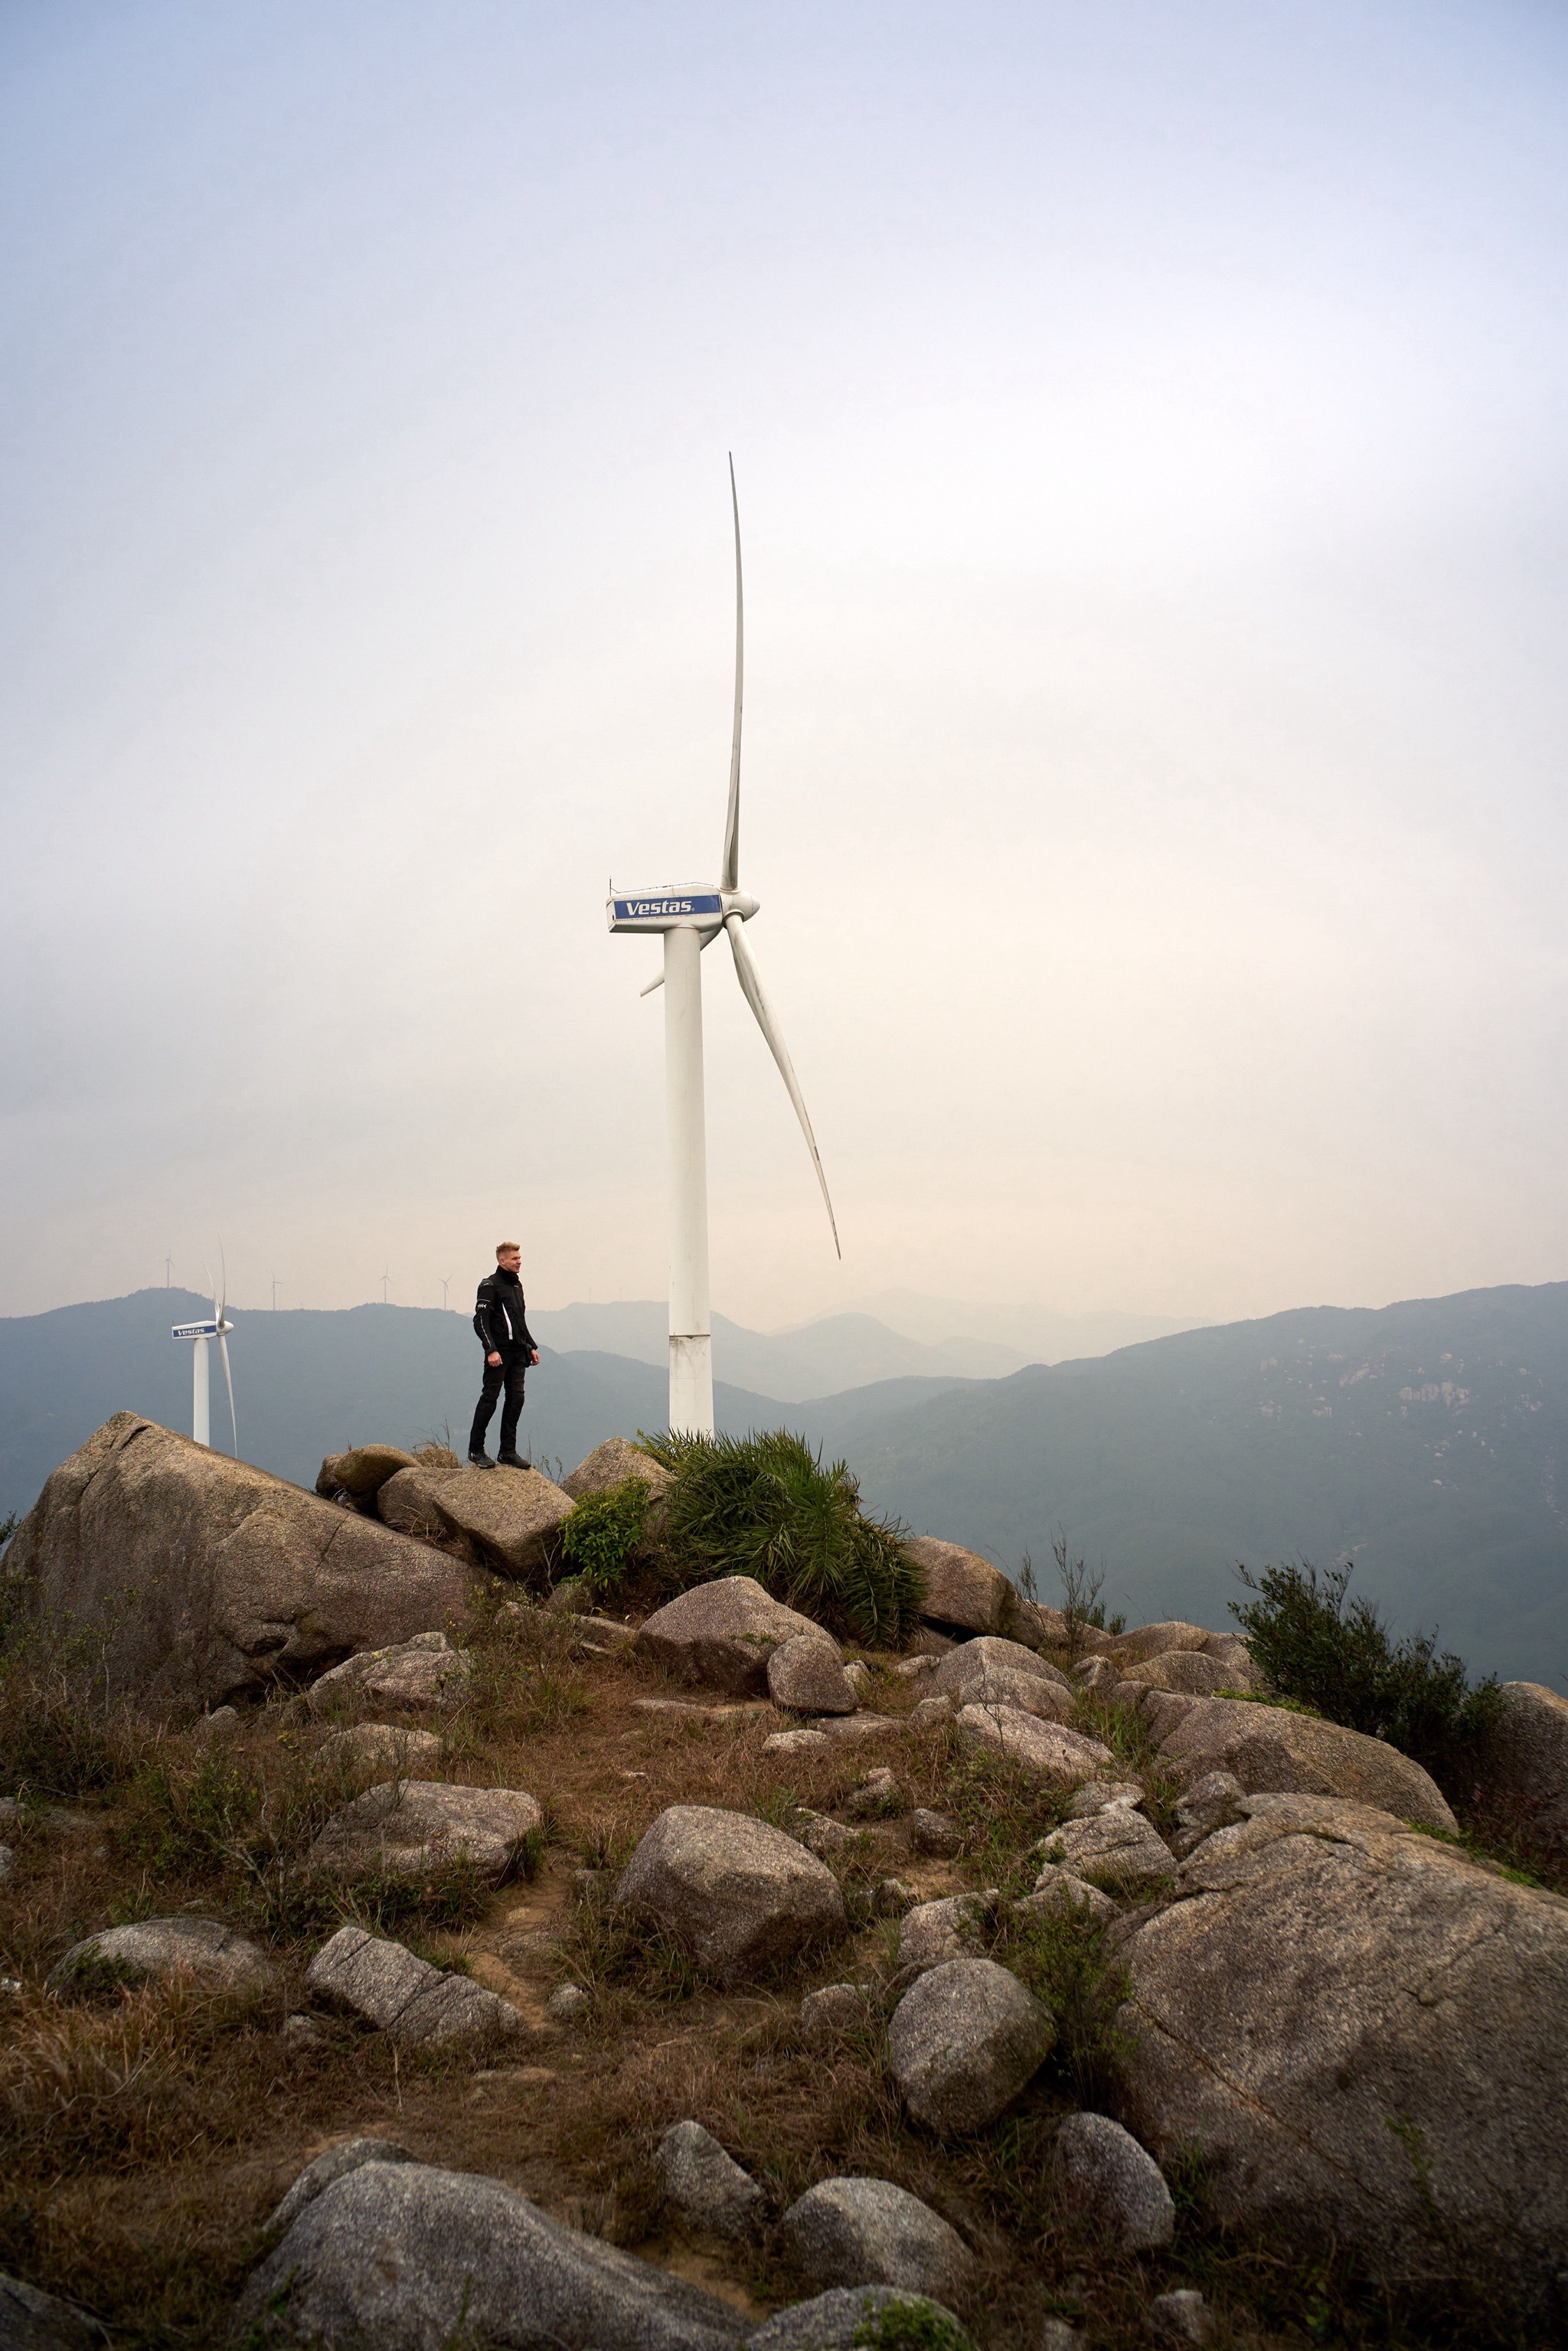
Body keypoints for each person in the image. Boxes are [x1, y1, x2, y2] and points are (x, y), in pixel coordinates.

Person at [469, 1241, 540, 1469]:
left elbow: (519, 1320)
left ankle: (507, 1451)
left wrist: (531, 1345)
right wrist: (491, 1349)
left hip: (518, 1353)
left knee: (516, 1399)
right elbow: (480, 1321)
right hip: (498, 1354)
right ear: (502, 1261)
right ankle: (476, 1450)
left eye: (520, 1258)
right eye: (515, 1259)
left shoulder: (517, 1286)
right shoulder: (490, 1285)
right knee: (490, 1399)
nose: (520, 1261)